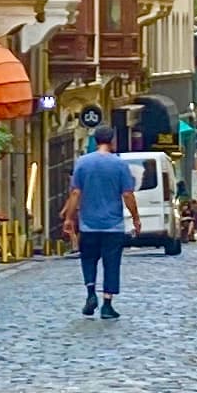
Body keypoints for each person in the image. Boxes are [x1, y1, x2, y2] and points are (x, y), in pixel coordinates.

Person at [61, 130, 142, 319]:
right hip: (112, 225)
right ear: (112, 141)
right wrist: (136, 218)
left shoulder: (82, 163)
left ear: (95, 141)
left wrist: (69, 218)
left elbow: (75, 193)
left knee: (88, 259)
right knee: (111, 263)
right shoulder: (120, 165)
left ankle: (90, 293)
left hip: (89, 225)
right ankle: (107, 304)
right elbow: (128, 194)